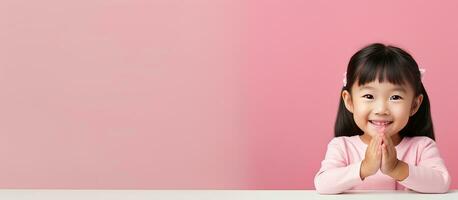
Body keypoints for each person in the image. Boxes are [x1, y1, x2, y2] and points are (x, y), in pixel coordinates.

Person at [314, 43, 451, 194]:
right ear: (350, 101)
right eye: (369, 96)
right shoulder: (342, 146)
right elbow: (323, 184)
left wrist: (396, 168)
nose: (381, 110)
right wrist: (365, 167)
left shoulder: (422, 147)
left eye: (395, 97)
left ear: (414, 105)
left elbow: (441, 183)